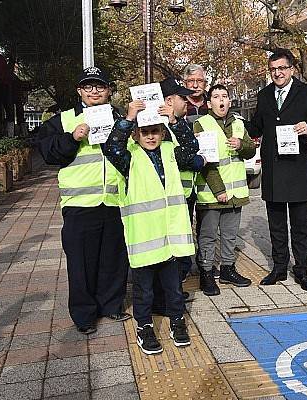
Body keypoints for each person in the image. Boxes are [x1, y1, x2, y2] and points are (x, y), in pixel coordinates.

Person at [101, 81, 197, 355]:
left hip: (170, 239)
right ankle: (145, 327)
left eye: (155, 131)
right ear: (136, 135)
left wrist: (175, 121)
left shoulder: (169, 152)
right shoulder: (128, 158)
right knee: (144, 292)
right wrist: (128, 118)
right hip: (144, 240)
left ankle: (177, 322)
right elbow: (112, 149)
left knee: (174, 289)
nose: (151, 137)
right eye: (145, 132)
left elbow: (190, 150)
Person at [36, 66, 130, 335]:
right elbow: (48, 152)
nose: (94, 91)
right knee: (81, 263)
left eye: (99, 86)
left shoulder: (120, 118)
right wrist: (73, 138)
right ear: (79, 91)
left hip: (114, 200)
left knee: (113, 258)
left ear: (109, 90)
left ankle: (111, 305)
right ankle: (84, 315)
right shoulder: (63, 120)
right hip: (79, 205)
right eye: (88, 87)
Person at [248, 48, 307, 291]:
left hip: (297, 169)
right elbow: (255, 128)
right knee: (276, 224)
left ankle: (301, 270)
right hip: (273, 167)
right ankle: (279, 267)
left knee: (300, 224)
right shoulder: (263, 96)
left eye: (282, 68)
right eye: (273, 70)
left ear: (292, 69)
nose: (277, 73)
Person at [193, 84, 256, 296]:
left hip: (236, 193)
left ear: (230, 101)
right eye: (216, 97)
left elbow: (251, 150)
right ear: (209, 103)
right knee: (208, 235)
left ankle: (228, 269)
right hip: (212, 193)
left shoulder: (239, 122)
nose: (221, 100)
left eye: (225, 96)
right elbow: (205, 161)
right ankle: (207, 273)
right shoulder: (202, 124)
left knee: (230, 234)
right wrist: (218, 189)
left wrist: (241, 145)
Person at [150, 78, 204, 313]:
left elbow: (189, 148)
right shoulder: (155, 126)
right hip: (168, 198)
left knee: (178, 247)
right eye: (183, 98)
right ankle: (162, 297)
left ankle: (171, 291)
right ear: (170, 100)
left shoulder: (175, 122)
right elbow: (183, 155)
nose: (188, 102)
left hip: (182, 195)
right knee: (169, 249)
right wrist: (198, 161)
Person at [177, 64, 209, 281]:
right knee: (184, 224)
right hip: (185, 179)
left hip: (209, 176)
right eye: (191, 82)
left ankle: (206, 266)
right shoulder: (177, 106)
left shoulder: (215, 102)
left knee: (207, 226)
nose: (195, 85)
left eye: (199, 81)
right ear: (185, 84)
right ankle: (183, 268)